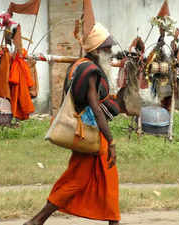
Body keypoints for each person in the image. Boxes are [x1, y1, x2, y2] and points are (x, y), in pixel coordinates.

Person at [23, 22, 125, 225]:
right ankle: (37, 220)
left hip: (83, 132)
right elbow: (95, 108)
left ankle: (38, 220)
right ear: (96, 50)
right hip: (89, 133)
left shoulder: (78, 65)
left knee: (96, 179)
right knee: (78, 180)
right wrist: (111, 141)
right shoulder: (91, 72)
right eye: (107, 48)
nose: (110, 52)